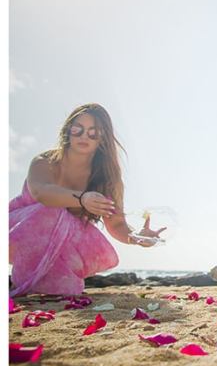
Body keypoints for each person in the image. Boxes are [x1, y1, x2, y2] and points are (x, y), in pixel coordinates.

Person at [9, 103, 165, 296]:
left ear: (102, 138)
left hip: (66, 241)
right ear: (67, 131)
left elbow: (116, 225)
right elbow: (42, 193)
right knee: (51, 211)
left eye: (93, 132)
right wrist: (82, 199)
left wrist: (137, 237)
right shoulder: (45, 161)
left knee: (66, 289)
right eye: (78, 129)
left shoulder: (108, 179)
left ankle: (38, 283)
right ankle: (23, 280)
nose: (84, 136)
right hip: (18, 229)